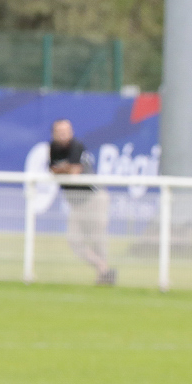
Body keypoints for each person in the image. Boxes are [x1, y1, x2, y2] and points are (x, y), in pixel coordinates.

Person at [49, 119, 115, 286]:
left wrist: (62, 170)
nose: (64, 135)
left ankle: (104, 276)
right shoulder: (53, 149)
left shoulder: (76, 146)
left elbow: (75, 172)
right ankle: (104, 268)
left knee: (97, 238)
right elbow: (53, 171)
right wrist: (65, 169)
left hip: (94, 199)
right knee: (74, 240)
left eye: (67, 131)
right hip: (76, 203)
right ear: (54, 134)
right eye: (60, 131)